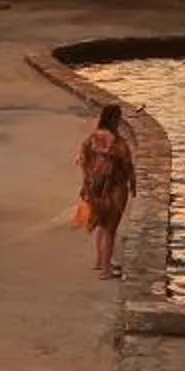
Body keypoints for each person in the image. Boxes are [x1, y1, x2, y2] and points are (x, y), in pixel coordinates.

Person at [76, 105, 137, 281]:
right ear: (115, 120)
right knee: (110, 230)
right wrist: (133, 185)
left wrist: (87, 186)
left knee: (101, 226)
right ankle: (106, 270)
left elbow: (83, 161)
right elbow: (127, 166)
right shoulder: (117, 143)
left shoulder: (91, 139)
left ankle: (100, 261)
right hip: (115, 190)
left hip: (96, 189)